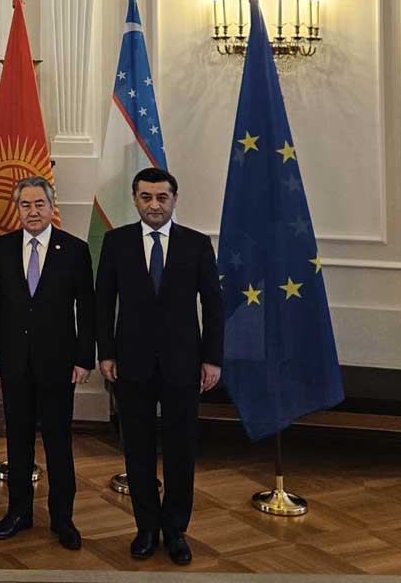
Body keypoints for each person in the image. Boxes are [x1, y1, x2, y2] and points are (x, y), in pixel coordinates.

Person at [95, 167, 223, 565]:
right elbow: (103, 302)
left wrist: (212, 358)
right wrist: (106, 352)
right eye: (146, 197)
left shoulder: (196, 244)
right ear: (135, 199)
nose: (154, 205)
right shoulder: (116, 242)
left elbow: (214, 305)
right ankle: (146, 528)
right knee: (138, 450)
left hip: (183, 364)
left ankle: (175, 530)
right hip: (131, 364)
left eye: (162, 197)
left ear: (174, 200)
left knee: (181, 450)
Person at [0, 177, 94, 549]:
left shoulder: (75, 250)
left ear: (51, 206)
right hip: (14, 362)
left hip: (58, 364)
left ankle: (63, 519)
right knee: (17, 442)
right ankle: (19, 513)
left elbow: (87, 309)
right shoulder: (3, 247)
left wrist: (83, 358)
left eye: (39, 204)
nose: (33, 212)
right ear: (18, 209)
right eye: (25, 205)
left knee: (58, 444)